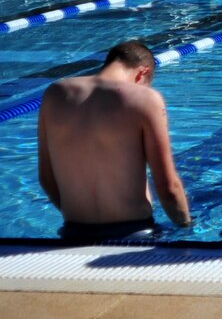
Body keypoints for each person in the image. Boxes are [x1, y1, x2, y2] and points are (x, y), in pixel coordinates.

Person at [37, 40, 191, 241]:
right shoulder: (145, 98)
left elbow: (46, 178)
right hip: (134, 234)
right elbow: (169, 187)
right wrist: (186, 226)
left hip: (74, 233)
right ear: (142, 73)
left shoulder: (55, 94)